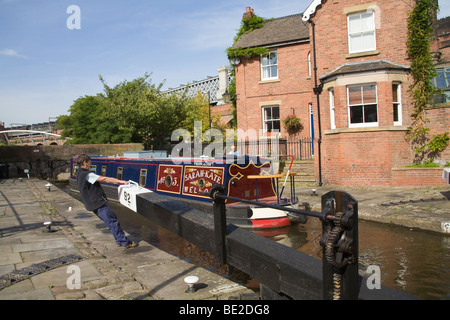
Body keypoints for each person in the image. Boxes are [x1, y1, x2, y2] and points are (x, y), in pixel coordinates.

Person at [76, 154, 137, 248]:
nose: (90, 164)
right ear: (85, 163)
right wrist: (120, 181)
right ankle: (125, 242)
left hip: (91, 204)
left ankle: (119, 240)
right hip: (98, 203)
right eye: (89, 162)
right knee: (113, 221)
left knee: (111, 221)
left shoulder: (79, 173)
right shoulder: (87, 175)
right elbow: (105, 179)